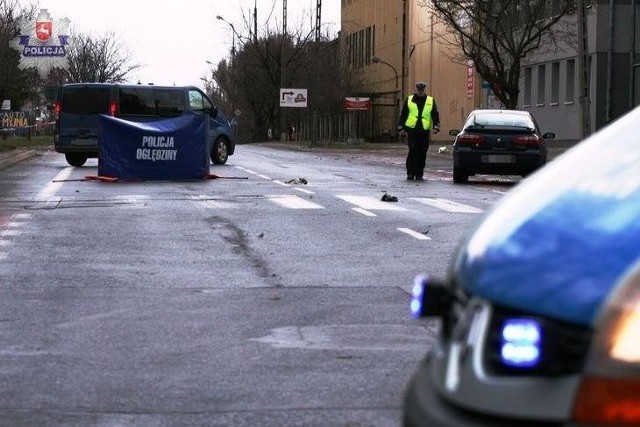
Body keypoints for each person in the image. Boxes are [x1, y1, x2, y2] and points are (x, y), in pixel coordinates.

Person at [398, 81, 440, 181]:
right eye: (419, 90)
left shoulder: (430, 101)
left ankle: (419, 173)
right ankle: (410, 173)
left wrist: (436, 126)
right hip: (412, 130)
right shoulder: (409, 100)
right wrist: (401, 128)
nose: (420, 92)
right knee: (413, 150)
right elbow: (404, 114)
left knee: (422, 152)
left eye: (422, 90)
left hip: (424, 130)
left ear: (425, 90)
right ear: (416, 90)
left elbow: (435, 114)